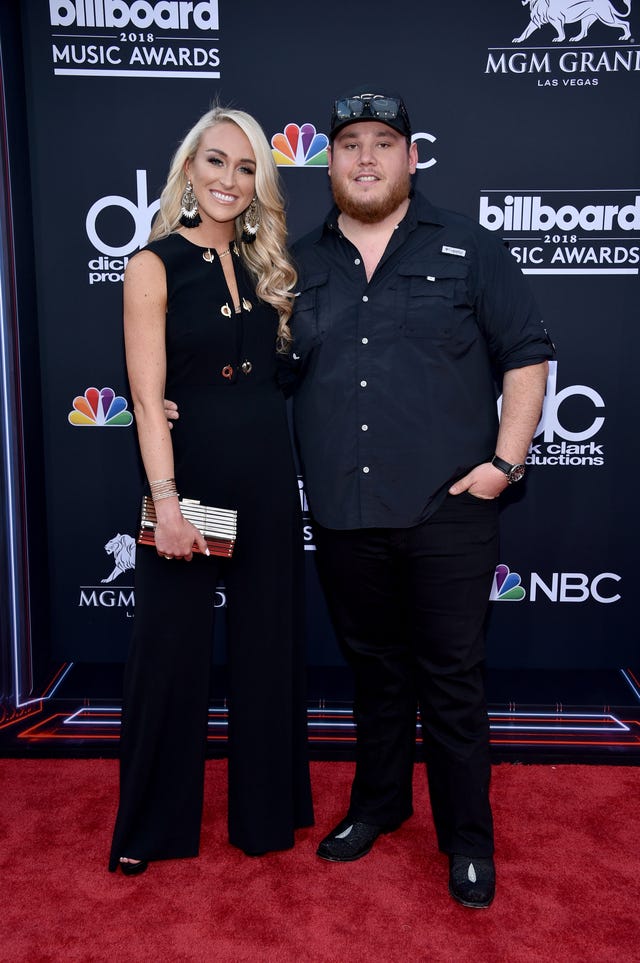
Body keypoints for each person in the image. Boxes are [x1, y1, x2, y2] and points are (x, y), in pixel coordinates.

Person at [288, 84, 554, 908]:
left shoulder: (470, 248)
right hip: (343, 512)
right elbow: (263, 373)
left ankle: (467, 839)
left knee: (451, 680)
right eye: (349, 144)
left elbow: (526, 355)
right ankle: (379, 804)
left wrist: (502, 466)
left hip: (450, 509)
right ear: (329, 161)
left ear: (411, 155)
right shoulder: (298, 263)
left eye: (382, 142)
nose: (365, 157)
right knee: (374, 673)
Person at [109, 106, 313, 876]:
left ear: (261, 179)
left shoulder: (272, 266)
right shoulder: (151, 264)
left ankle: (266, 819)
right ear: (189, 169)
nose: (230, 179)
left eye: (247, 166)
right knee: (169, 650)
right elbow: (146, 391)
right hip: (188, 476)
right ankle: (150, 829)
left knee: (269, 647)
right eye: (216, 161)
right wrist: (165, 500)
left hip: (265, 470)